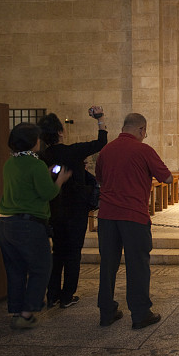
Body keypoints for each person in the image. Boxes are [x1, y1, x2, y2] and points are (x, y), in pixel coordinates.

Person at [95, 113, 172, 329]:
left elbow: (99, 178)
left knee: (108, 264)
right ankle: (140, 314)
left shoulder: (106, 150)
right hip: (134, 216)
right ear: (141, 129)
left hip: (107, 216)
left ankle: (106, 312)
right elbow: (166, 178)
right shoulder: (143, 150)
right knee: (137, 264)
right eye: (145, 132)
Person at [0, 123, 72, 329]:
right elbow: (48, 194)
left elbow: (24, 185)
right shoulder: (35, 164)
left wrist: (44, 175)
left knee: (15, 269)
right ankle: (27, 312)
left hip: (5, 223)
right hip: (28, 225)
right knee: (41, 267)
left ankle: (17, 311)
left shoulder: (10, 164)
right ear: (33, 142)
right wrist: (60, 180)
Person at [38, 106, 108, 309]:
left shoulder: (43, 157)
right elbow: (101, 142)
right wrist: (100, 119)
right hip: (75, 210)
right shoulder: (72, 151)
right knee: (73, 252)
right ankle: (67, 295)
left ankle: (52, 295)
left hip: (53, 210)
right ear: (60, 132)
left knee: (57, 252)